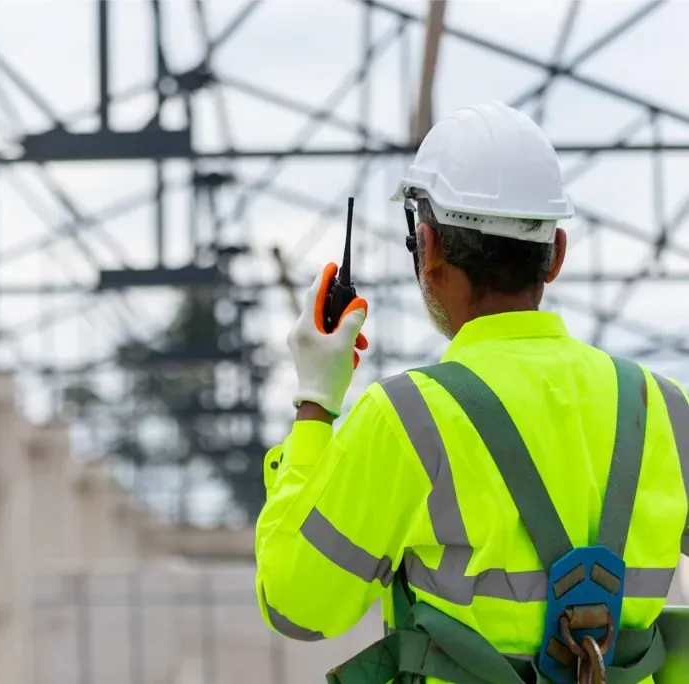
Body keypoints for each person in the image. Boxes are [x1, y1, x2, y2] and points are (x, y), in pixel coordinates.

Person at [254, 101, 689, 684]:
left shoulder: (405, 419)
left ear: (427, 248)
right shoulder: (663, 409)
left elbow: (297, 604)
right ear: (556, 254)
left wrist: (315, 405)